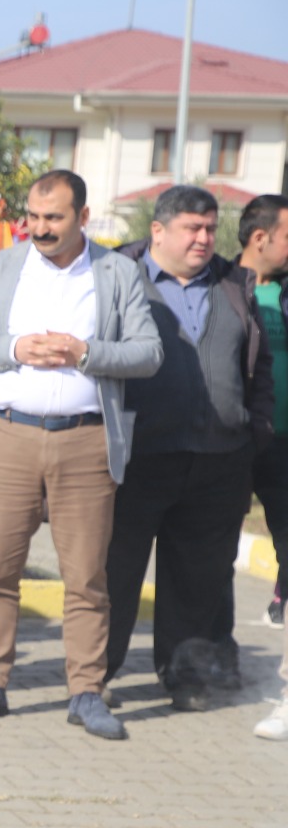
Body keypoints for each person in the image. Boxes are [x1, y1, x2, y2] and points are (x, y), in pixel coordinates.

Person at [0, 169, 162, 741]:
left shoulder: (117, 271)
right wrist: (15, 349)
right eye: (33, 217)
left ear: (83, 218)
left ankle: (86, 692)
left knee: (88, 577)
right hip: (7, 436)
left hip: (87, 442)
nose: (39, 229)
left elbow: (149, 353)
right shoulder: (1, 267)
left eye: (53, 219)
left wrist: (84, 352)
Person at [106, 185, 271, 712]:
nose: (204, 238)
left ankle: (185, 677)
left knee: (197, 582)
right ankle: (94, 676)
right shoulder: (117, 277)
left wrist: (253, 432)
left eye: (209, 227)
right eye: (191, 229)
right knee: (116, 574)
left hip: (218, 461)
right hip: (136, 459)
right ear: (158, 231)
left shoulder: (233, 284)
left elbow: (259, 368)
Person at [230, 194, 288, 627]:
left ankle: (282, 599)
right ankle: (211, 631)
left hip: (283, 439)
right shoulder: (221, 285)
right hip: (233, 436)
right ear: (260, 237)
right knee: (214, 536)